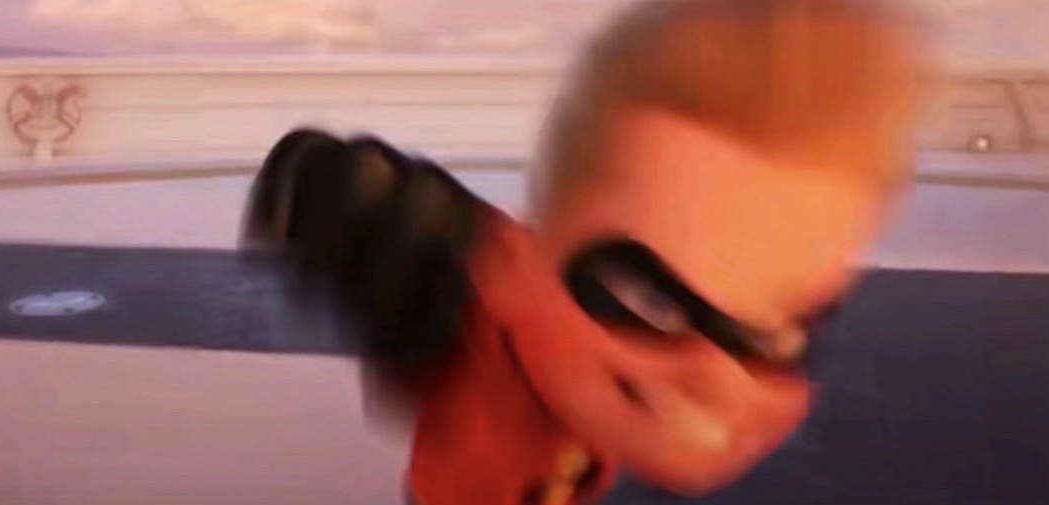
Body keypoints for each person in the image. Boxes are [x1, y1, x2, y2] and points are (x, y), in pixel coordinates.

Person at [245, 0, 930, 503]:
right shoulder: (496, 391)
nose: (720, 376)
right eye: (652, 300)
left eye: (780, 324)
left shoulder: (522, 320)